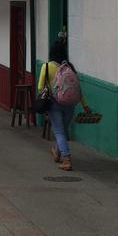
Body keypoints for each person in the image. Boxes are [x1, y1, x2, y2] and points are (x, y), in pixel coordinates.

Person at [38, 40, 91, 171]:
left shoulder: (46, 66)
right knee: (62, 131)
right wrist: (85, 106)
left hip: (54, 105)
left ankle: (66, 159)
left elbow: (40, 87)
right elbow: (78, 89)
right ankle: (57, 152)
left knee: (58, 131)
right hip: (70, 104)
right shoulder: (70, 67)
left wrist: (45, 97)